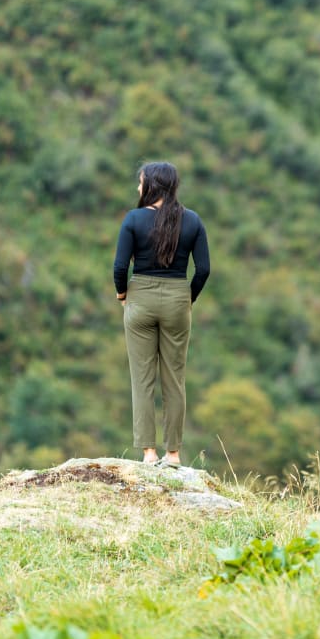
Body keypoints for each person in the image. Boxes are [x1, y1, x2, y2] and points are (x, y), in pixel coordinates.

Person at [113, 161, 210, 467]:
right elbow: (204, 269)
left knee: (142, 379)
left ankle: (148, 453)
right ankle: (173, 454)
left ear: (151, 186)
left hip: (140, 298)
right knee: (174, 378)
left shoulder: (133, 219)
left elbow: (119, 267)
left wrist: (122, 295)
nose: (138, 188)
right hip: (177, 300)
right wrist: (187, 299)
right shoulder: (192, 221)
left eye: (140, 183)